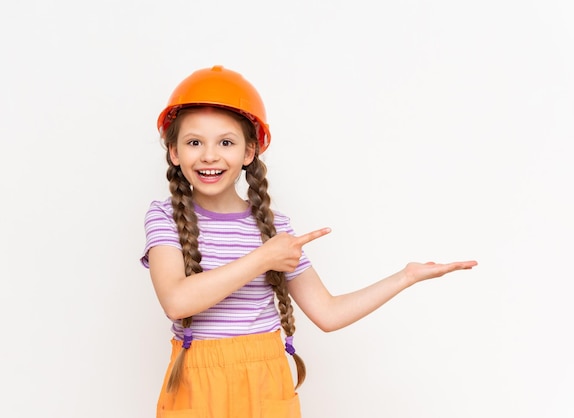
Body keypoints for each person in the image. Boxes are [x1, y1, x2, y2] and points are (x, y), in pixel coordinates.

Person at [140, 65, 477, 418]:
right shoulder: (164, 217)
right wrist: (263, 258)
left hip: (265, 380)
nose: (209, 155)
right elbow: (177, 302)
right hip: (196, 385)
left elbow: (328, 314)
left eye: (226, 142)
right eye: (194, 142)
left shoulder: (276, 229)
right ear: (174, 151)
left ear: (249, 152)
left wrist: (404, 277)